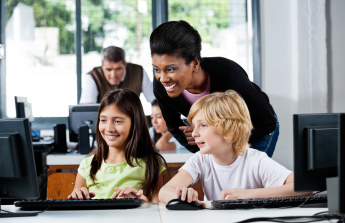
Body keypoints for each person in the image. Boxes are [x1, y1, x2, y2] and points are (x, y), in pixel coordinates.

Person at [158, 90, 311, 206]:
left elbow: (305, 187)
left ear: (228, 129)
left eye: (203, 125)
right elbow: (164, 192)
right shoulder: (200, 160)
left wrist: (249, 195)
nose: (195, 133)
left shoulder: (255, 160)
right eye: (193, 126)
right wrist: (183, 198)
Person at [150, 20, 279, 157]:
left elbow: (267, 124)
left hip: (257, 127)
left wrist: (213, 135)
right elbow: (174, 126)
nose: (162, 78)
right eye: (157, 69)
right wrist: (198, 145)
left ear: (195, 63)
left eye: (171, 69)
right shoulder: (161, 86)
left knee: (245, 177)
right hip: (218, 136)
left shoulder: (230, 75)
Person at [68, 89, 166, 201]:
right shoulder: (88, 164)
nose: (109, 129)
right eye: (103, 120)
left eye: (118, 121)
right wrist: (78, 196)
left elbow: (158, 212)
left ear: (135, 124)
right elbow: (77, 210)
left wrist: (142, 202)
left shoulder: (152, 163)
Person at [80, 46, 155, 104]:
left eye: (118, 69)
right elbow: (87, 107)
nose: (113, 75)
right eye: (108, 69)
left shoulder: (138, 71)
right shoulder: (93, 76)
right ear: (102, 67)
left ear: (125, 65)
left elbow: (154, 99)